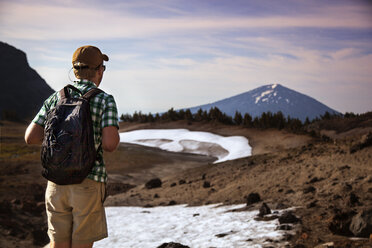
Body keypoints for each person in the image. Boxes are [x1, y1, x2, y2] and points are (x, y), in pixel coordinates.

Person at [24, 45, 120, 248]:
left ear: (74, 70)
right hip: (88, 181)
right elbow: (110, 144)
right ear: (99, 70)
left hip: (56, 183)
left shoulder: (55, 98)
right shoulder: (104, 99)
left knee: (57, 244)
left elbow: (30, 137)